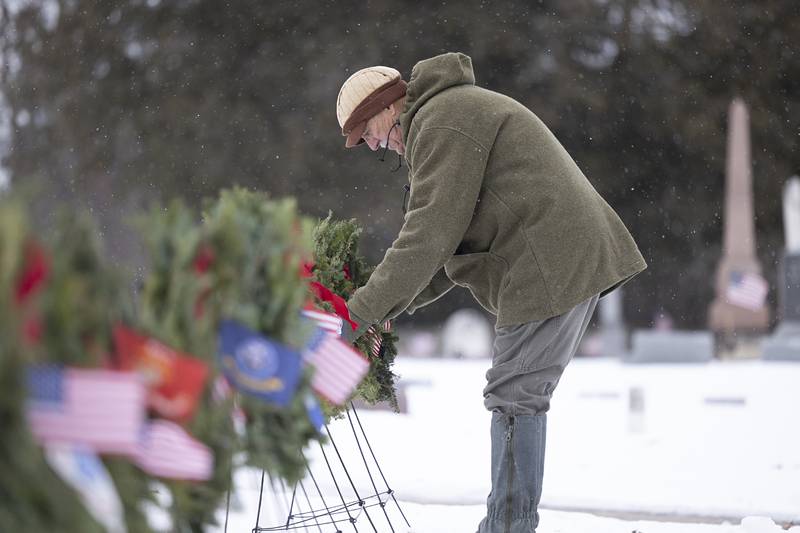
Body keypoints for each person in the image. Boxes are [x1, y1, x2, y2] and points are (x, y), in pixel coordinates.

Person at [335, 52, 646, 532]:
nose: (375, 145)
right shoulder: (440, 121)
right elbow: (446, 248)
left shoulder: (443, 122)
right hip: (553, 258)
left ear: (386, 106)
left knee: (516, 395)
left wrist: (354, 316)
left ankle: (507, 527)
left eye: (368, 132)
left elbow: (428, 237)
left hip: (550, 259)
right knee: (516, 393)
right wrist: (388, 308)